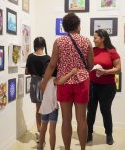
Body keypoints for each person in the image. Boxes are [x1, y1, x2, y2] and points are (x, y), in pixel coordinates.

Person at [40, 13, 93, 150]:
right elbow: (91, 65)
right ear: (78, 25)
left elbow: (52, 65)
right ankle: (82, 148)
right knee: (82, 120)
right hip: (82, 82)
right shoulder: (87, 41)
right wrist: (81, 69)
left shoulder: (59, 42)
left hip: (64, 83)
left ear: (64, 27)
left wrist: (44, 82)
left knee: (66, 120)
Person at [87, 29, 121, 145]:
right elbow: (87, 65)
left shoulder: (111, 51)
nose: (93, 40)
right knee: (90, 111)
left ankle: (109, 134)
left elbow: (118, 69)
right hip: (92, 85)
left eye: (96, 37)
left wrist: (105, 71)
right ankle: (89, 133)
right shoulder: (92, 50)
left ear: (102, 38)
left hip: (107, 87)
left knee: (105, 110)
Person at [37, 68, 77, 150]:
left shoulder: (43, 81)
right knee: (52, 131)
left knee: (43, 129)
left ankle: (40, 147)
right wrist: (71, 73)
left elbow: (41, 88)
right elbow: (61, 81)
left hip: (45, 107)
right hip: (53, 108)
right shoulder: (53, 80)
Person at [25, 37, 50, 142]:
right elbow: (48, 74)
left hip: (34, 83)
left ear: (35, 44)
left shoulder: (30, 56)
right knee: (45, 110)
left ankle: (39, 131)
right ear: (44, 45)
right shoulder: (47, 58)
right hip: (44, 84)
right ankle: (42, 134)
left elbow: (26, 72)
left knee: (38, 109)